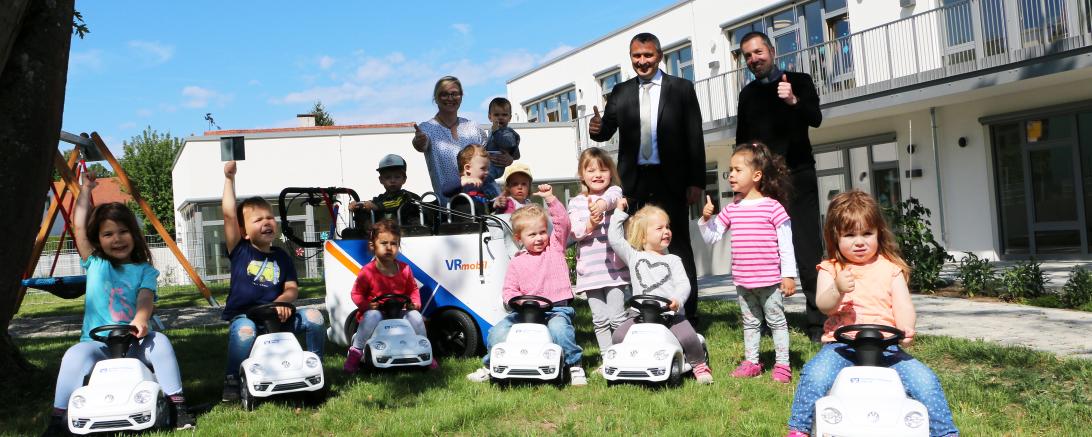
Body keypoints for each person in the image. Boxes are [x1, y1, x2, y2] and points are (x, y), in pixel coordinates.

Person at [785, 191, 959, 437]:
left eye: (867, 233)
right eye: (850, 235)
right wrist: (837, 288)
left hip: (887, 348)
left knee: (925, 381)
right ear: (836, 236)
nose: (859, 242)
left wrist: (906, 328)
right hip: (841, 347)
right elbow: (824, 305)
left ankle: (945, 432)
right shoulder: (831, 269)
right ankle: (799, 428)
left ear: (879, 233)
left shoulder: (891, 270)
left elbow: (903, 306)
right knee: (815, 374)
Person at [43, 174, 195, 436]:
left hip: (135, 342)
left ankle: (177, 404)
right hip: (98, 345)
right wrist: (85, 190)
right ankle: (59, 418)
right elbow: (78, 227)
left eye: (123, 232)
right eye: (108, 234)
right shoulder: (95, 263)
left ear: (133, 235)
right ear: (98, 239)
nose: (117, 239)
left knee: (161, 344)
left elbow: (146, 298)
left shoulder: (144, 271)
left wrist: (141, 319)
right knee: (74, 356)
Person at [588, 32, 706, 325]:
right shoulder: (621, 91)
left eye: (648, 55)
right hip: (634, 184)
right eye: (636, 57)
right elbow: (606, 131)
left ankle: (687, 313)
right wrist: (596, 128)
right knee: (638, 245)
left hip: (673, 180)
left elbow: (695, 136)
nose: (642, 62)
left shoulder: (681, 88)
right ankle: (644, 309)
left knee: (676, 243)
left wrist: (696, 182)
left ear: (659, 56)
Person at [735, 31, 825, 342]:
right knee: (763, 254)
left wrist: (793, 100)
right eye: (747, 55)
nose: (753, 59)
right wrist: (741, 187)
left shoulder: (798, 81)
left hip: (799, 176)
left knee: (807, 248)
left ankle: (818, 323)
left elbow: (816, 118)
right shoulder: (747, 95)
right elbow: (741, 144)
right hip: (765, 185)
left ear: (771, 51)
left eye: (758, 52)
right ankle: (764, 319)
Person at [219, 161, 325, 402]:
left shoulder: (282, 256)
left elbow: (291, 288)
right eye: (257, 220)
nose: (266, 222)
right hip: (248, 318)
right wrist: (229, 179)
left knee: (315, 318)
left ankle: (315, 369)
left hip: (280, 316)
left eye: (269, 217)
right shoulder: (240, 250)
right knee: (244, 332)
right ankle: (232, 380)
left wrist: (282, 303)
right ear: (243, 231)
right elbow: (227, 214)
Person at [466, 185, 588, 386]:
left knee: (561, 331)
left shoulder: (555, 249)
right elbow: (509, 289)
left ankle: (574, 365)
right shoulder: (516, 261)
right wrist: (513, 300)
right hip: (525, 313)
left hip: (555, 310)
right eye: (532, 235)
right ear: (519, 238)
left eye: (542, 232)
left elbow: (563, 223)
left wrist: (550, 199)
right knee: (498, 332)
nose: (539, 238)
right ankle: (490, 365)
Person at [697, 143, 796, 383]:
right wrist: (705, 219)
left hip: (770, 280)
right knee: (751, 324)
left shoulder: (773, 208)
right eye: (730, 169)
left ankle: (782, 365)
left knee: (776, 321)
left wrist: (788, 274)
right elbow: (711, 237)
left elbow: (786, 244)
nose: (730, 174)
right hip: (743, 281)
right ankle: (752, 362)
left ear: (756, 175)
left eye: (737, 170)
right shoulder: (732, 209)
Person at [607, 199, 713, 384]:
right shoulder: (634, 257)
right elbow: (615, 239)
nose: (666, 231)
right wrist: (618, 212)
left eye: (667, 227)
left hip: (670, 314)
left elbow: (683, 284)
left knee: (688, 337)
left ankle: (699, 365)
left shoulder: (673, 260)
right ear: (642, 237)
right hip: (640, 314)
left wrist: (677, 300)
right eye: (659, 228)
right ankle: (620, 363)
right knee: (618, 335)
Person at [343, 220, 435, 373]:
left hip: (399, 312)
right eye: (384, 243)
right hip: (378, 314)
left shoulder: (405, 269)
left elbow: (413, 290)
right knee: (372, 316)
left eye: (393, 243)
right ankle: (356, 353)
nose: (389, 247)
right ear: (373, 245)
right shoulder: (368, 271)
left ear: (398, 246)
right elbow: (356, 293)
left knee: (417, 317)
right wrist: (366, 305)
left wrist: (414, 303)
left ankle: (426, 351)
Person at [567, 147, 630, 362]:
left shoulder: (614, 194)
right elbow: (574, 232)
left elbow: (612, 197)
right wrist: (590, 224)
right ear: (582, 175)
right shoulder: (575, 202)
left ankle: (622, 355)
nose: (597, 175)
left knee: (618, 317)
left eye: (603, 170)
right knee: (600, 319)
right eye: (591, 170)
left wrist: (601, 205)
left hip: (615, 270)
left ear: (611, 173)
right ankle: (607, 359)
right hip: (591, 273)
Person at [412, 76, 511, 205]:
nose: (450, 98)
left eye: (454, 94)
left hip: (480, 204)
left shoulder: (473, 127)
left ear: (461, 96)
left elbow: (488, 158)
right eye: (444, 94)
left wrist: (507, 158)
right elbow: (420, 145)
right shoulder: (427, 128)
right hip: (448, 208)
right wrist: (418, 141)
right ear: (435, 98)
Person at [348, 154, 421, 227]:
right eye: (388, 177)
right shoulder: (380, 199)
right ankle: (369, 230)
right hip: (384, 234)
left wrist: (377, 206)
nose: (392, 181)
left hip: (406, 234)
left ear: (404, 179)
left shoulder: (406, 196)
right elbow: (371, 204)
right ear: (381, 180)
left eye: (397, 177)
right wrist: (359, 205)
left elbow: (396, 203)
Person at [441, 144, 499, 210]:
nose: (487, 172)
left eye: (487, 169)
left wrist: (494, 204)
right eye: (483, 168)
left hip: (479, 219)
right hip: (463, 219)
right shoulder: (461, 185)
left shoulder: (481, 186)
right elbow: (445, 190)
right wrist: (463, 181)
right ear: (468, 168)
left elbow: (483, 207)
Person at [485, 97, 521, 182]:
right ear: (490, 117)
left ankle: (490, 191)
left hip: (497, 166)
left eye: (504, 115)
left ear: (510, 117)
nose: (500, 117)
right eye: (496, 115)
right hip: (489, 163)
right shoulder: (492, 131)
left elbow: (507, 143)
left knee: (485, 178)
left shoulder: (508, 132)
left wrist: (496, 132)